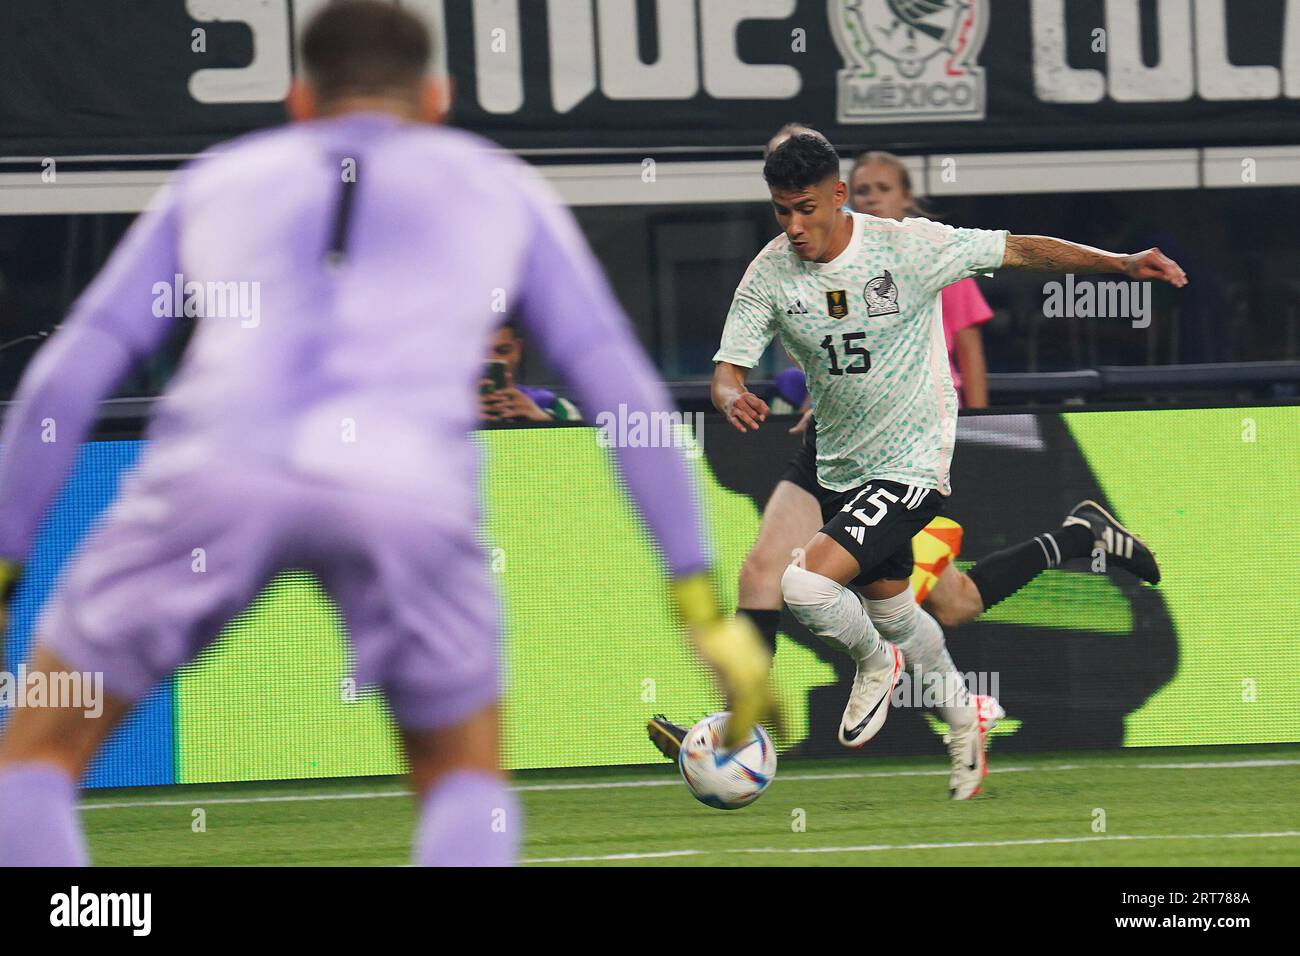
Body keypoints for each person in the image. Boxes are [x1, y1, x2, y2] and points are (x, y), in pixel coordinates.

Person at [0, 1, 772, 867]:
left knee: (34, 760)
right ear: (438, 99)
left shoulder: (217, 178)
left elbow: (68, 376)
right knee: (464, 784)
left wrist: (4, 556)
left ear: (298, 100)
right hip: (405, 492)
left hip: (212, 474)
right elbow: (619, 386)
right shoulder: (496, 184)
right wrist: (701, 605)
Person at [650, 129, 1178, 799]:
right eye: (781, 210)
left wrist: (1121, 264)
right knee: (921, 607)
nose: (794, 225)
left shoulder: (909, 248)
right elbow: (728, 370)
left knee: (803, 585)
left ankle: (860, 672)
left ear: (838, 196)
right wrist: (732, 395)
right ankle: (970, 708)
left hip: (909, 461)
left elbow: (1015, 248)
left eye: (806, 208)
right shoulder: (772, 269)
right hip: (835, 460)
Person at [848, 151, 991, 408]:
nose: (872, 198)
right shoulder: (839, 266)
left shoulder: (942, 256)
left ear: (906, 196)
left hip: (934, 412)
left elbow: (969, 352)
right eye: (862, 190)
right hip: (863, 416)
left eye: (883, 188)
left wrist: (978, 419)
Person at [480, 320, 581, 423]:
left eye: (503, 351)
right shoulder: (463, 411)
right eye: (478, 352)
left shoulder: (554, 406)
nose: (492, 359)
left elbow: (583, 438)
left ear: (518, 350)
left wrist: (546, 423)